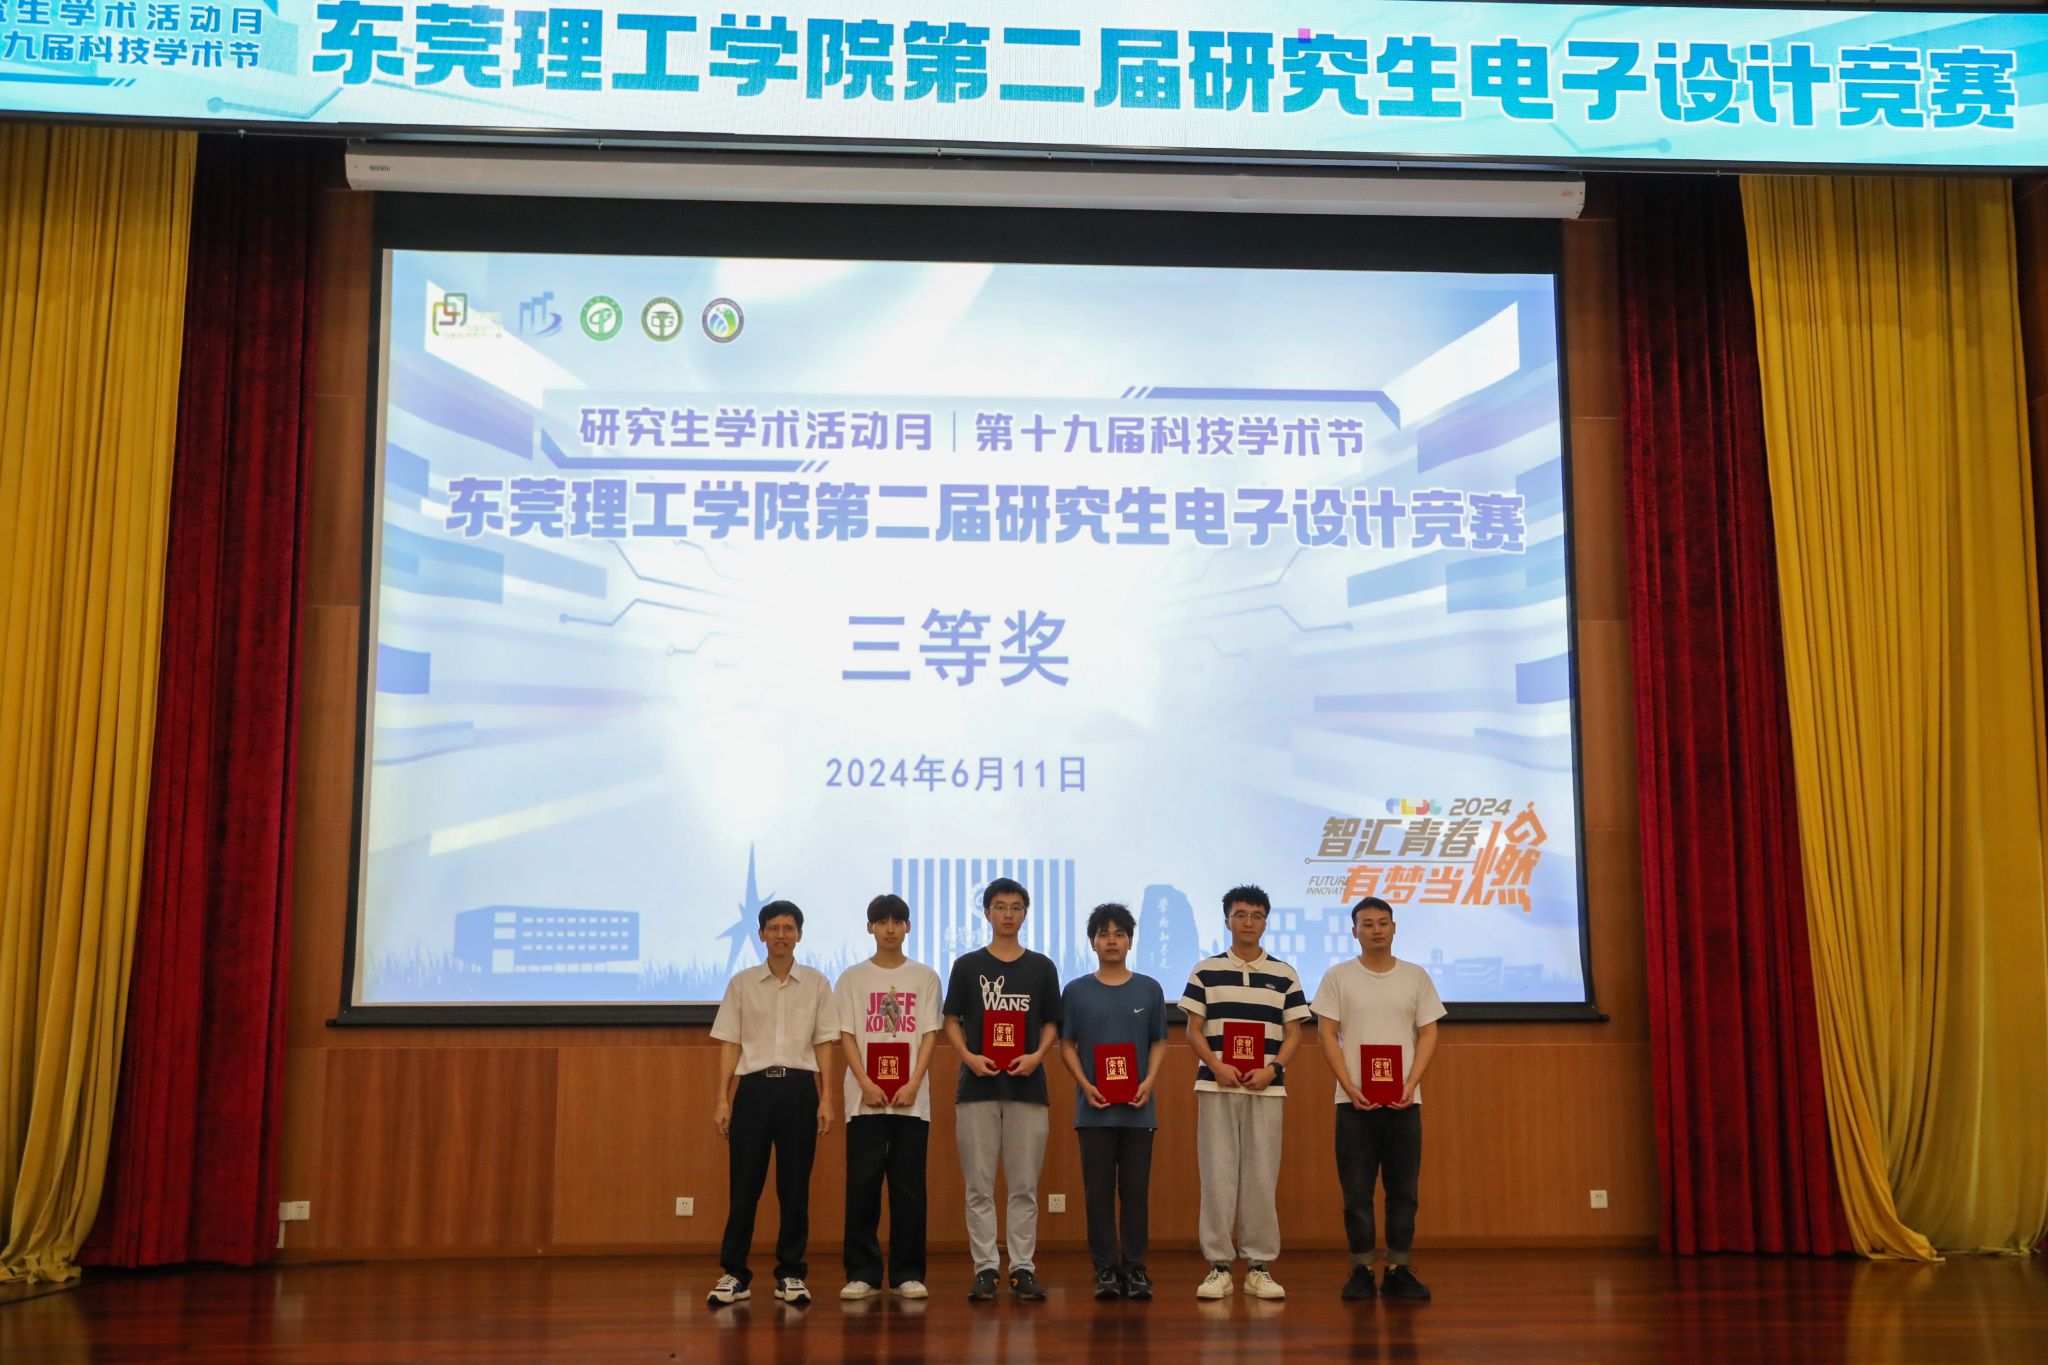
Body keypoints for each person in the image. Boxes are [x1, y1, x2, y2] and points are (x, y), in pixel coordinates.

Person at [1179, 884, 1310, 1301]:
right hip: (1215, 1086)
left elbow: (1294, 1033)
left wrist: (1273, 1069)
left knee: (1261, 1177)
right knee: (1216, 1176)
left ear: (1265, 923)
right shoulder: (1205, 970)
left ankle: (1259, 1268)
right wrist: (1217, 1066)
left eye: (1256, 916)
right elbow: (1193, 1030)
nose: (1248, 923)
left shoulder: (1284, 974)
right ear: (1227, 921)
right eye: (1240, 915)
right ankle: (1218, 1267)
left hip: (1266, 1090)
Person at [1313, 896, 1445, 1303]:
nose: (1376, 930)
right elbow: (1325, 1033)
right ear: (1354, 931)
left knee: (1403, 1191)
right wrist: (1348, 1084)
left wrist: (1411, 1082)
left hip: (1404, 1102)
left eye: (1383, 922)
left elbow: (1429, 1032)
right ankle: (1361, 1270)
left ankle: (1398, 1269)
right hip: (1352, 1103)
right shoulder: (1338, 976)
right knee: (1356, 1193)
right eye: (1367, 924)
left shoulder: (1416, 976)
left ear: (1394, 928)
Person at [706, 899, 837, 1307]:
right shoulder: (742, 983)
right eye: (774, 928)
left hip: (799, 1092)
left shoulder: (817, 983)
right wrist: (722, 1098)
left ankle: (791, 1274)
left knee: (795, 1188)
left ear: (799, 934)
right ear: (761, 934)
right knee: (744, 1187)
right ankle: (735, 1274)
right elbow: (730, 1043)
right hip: (753, 1092)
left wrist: (827, 1098)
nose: (782, 935)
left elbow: (824, 1044)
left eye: (789, 928)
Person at [943, 876, 1064, 1302]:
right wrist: (969, 1057)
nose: (1008, 914)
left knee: (1024, 1186)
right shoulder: (967, 966)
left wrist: (1037, 1056)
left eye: (1015, 907)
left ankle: (1023, 1268)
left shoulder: (1042, 967)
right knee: (978, 1185)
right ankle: (985, 1269)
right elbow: (951, 1021)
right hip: (976, 1087)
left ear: (1025, 914)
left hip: (1027, 1087)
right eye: (1000, 907)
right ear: (987, 913)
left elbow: (1052, 1023)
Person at [833, 894, 943, 1302]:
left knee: (909, 1187)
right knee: (862, 1185)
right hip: (864, 1100)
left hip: (911, 1101)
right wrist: (864, 1082)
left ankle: (907, 1273)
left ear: (908, 927)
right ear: (871, 928)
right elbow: (846, 1034)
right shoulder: (852, 978)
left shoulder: (925, 977)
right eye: (882, 922)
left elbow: (929, 1034)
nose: (890, 928)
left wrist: (914, 1082)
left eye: (898, 921)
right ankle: (862, 1272)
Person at [1059, 902, 1169, 1301]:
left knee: (1136, 1193)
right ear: (1092, 942)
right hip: (1094, 1111)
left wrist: (1149, 1081)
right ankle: (1105, 1269)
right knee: (1098, 1194)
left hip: (1139, 1110)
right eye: (1103, 934)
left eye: (1119, 934)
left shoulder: (1149, 989)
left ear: (1130, 941)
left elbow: (1159, 1042)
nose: (1111, 941)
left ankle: (1135, 1269)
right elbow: (1066, 1045)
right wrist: (1085, 1084)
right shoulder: (1076, 991)